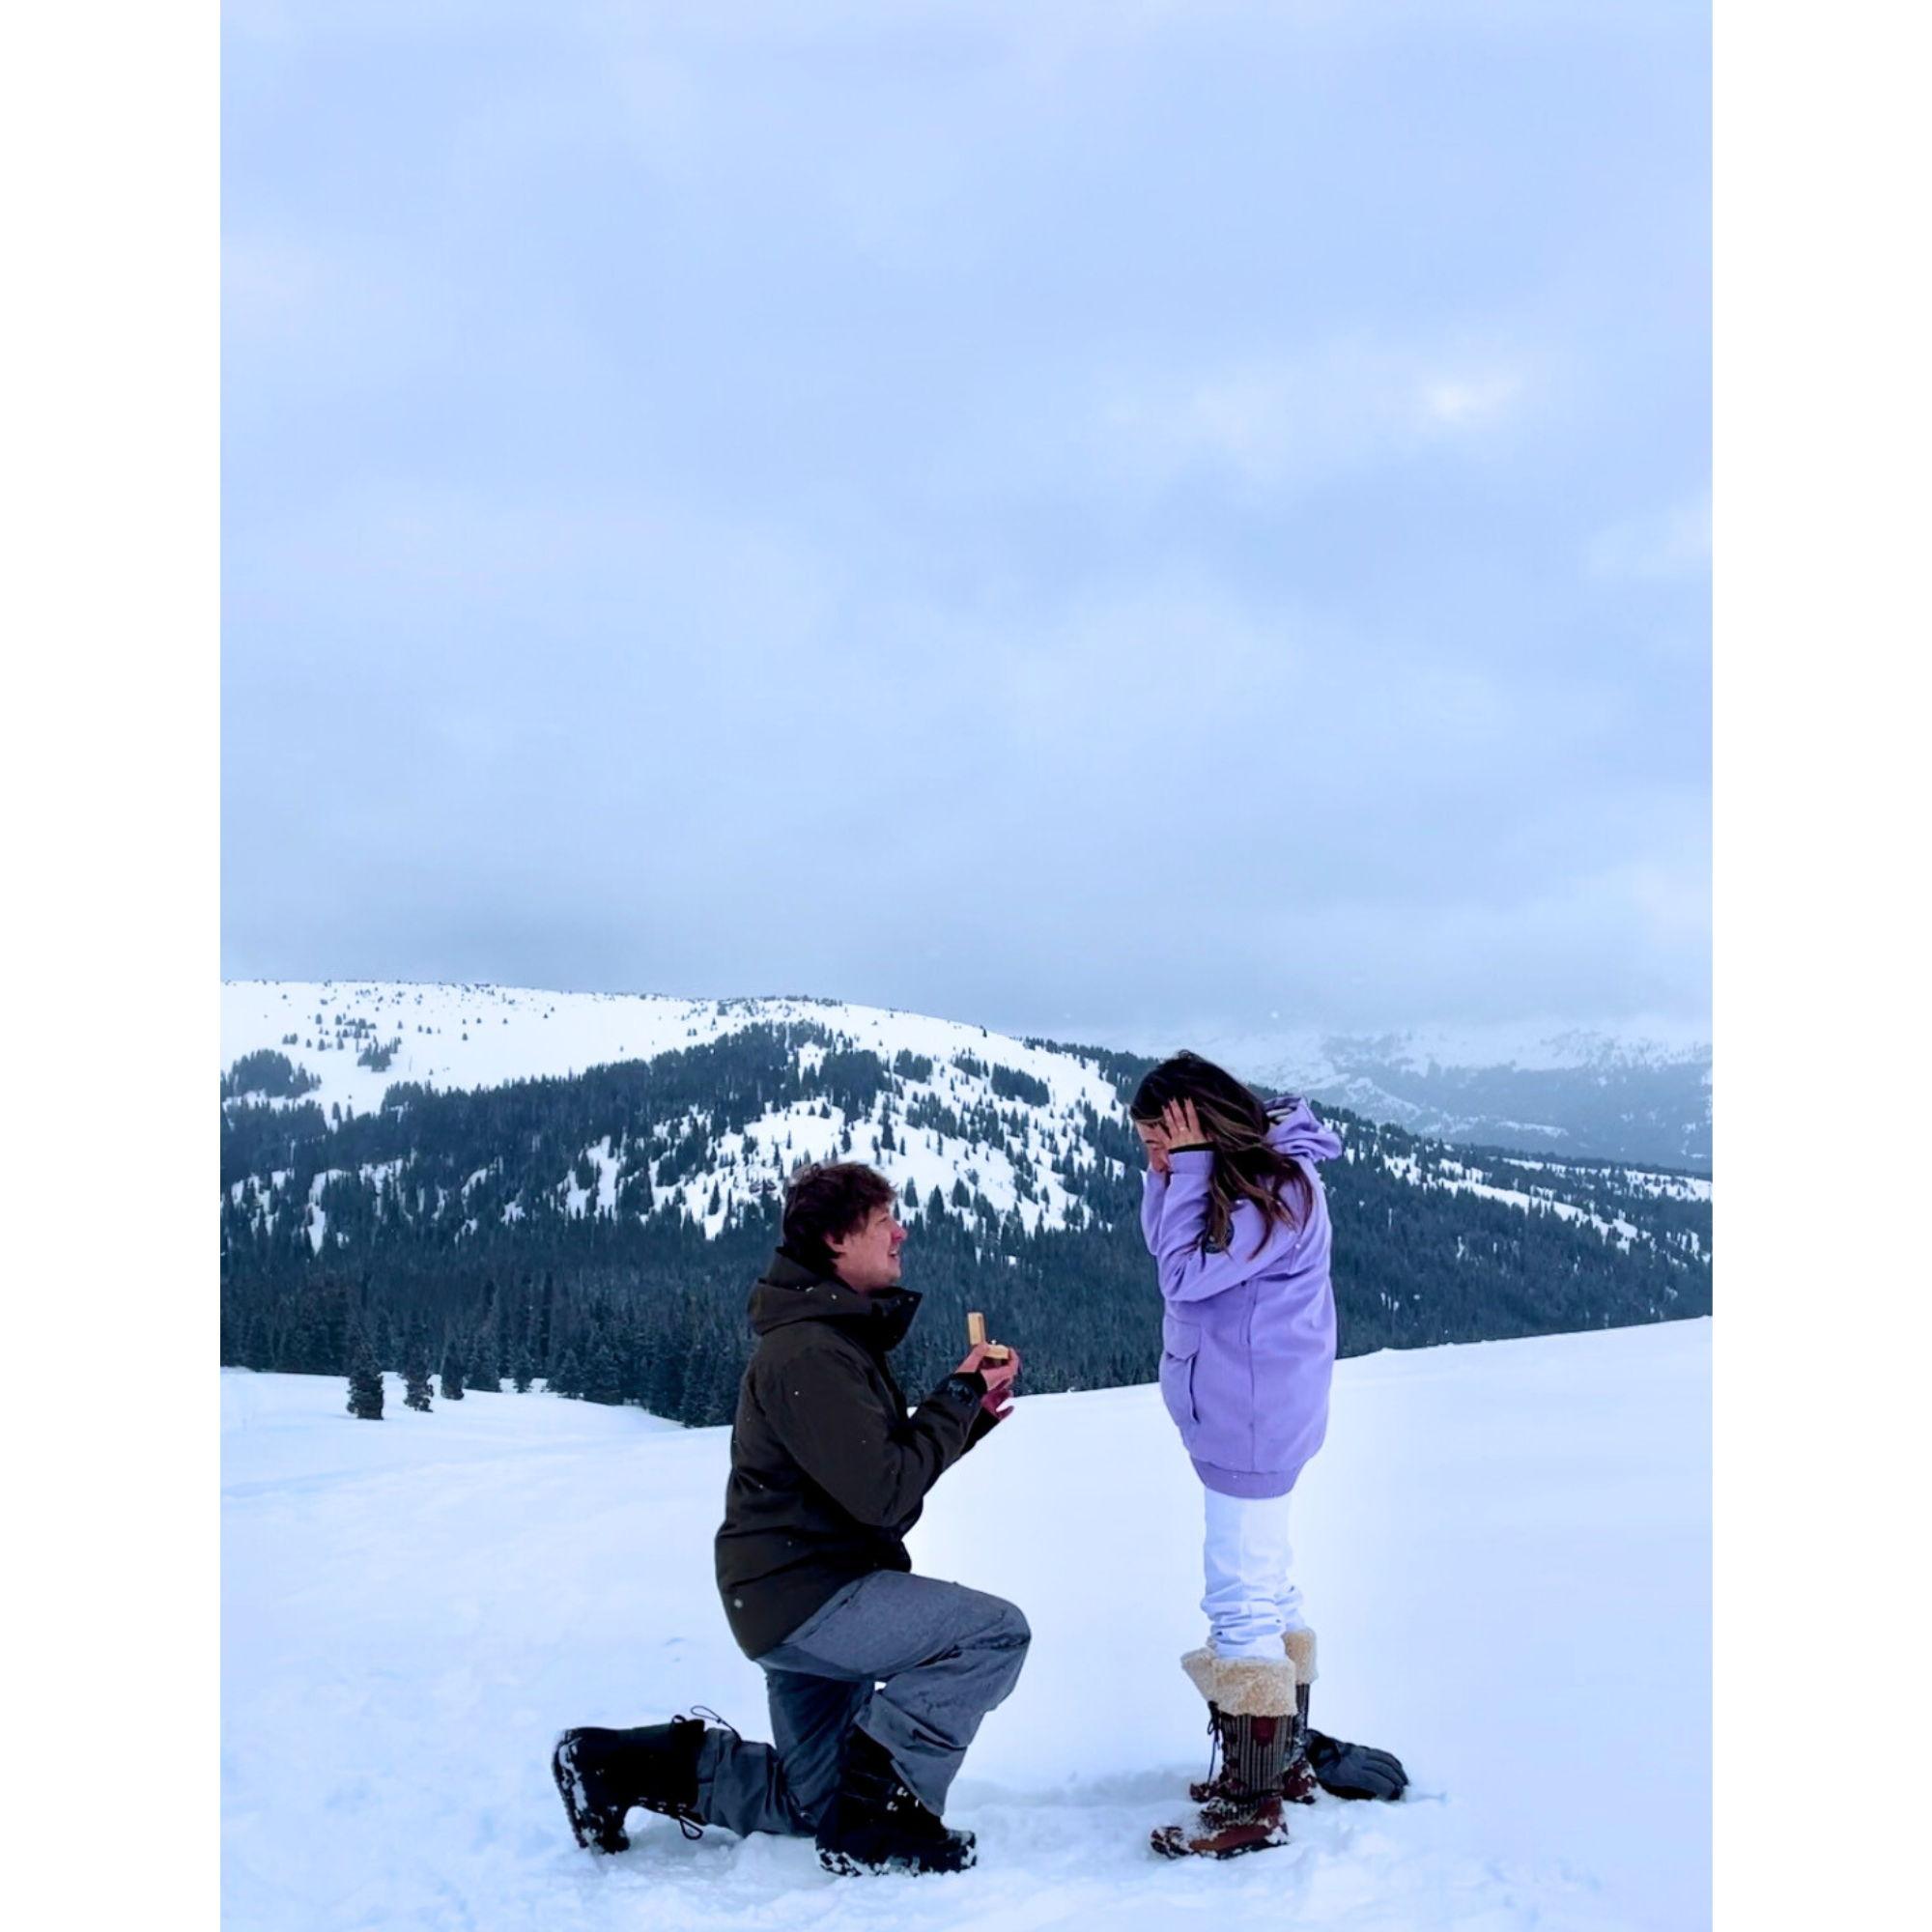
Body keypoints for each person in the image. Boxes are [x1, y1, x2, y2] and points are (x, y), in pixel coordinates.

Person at [552, 1161, 1027, 1876]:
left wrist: (968, 1413)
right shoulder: (808, 1350)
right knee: (993, 1636)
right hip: (815, 1594)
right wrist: (957, 1397)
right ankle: (882, 1819)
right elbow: (883, 1493)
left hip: (786, 1594)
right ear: (837, 1240)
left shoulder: (826, 1337)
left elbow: (873, 1468)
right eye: (882, 1222)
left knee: (819, 1803)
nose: (901, 1233)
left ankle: (615, 1766)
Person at [1131, 1052, 1408, 1861]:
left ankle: (1254, 1803)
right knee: (1269, 1584)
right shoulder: (1242, 1181)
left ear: (1198, 1130)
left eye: (1159, 1141)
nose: (1151, 1158)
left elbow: (1181, 1278)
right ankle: (1277, 1761)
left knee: (1241, 1599)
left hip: (1250, 1416)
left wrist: (1184, 1173)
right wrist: (1174, 1175)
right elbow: (1169, 1251)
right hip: (1245, 1407)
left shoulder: (1273, 1194)